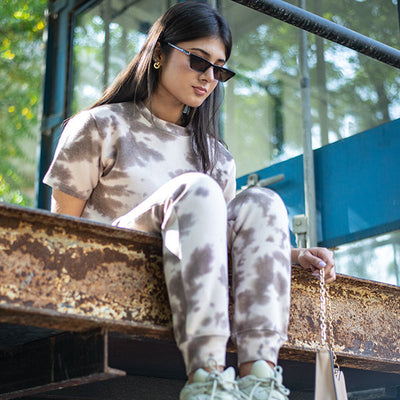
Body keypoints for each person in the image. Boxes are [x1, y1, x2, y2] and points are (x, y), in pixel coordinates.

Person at [43, 1, 335, 399]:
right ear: (160, 53)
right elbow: (64, 235)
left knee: (263, 202)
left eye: (220, 68)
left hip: (192, 286)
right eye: (199, 61)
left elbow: (220, 246)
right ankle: (208, 378)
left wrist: (294, 256)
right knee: (197, 189)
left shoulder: (216, 157)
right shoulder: (99, 126)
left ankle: (260, 379)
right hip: (112, 276)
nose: (209, 77)